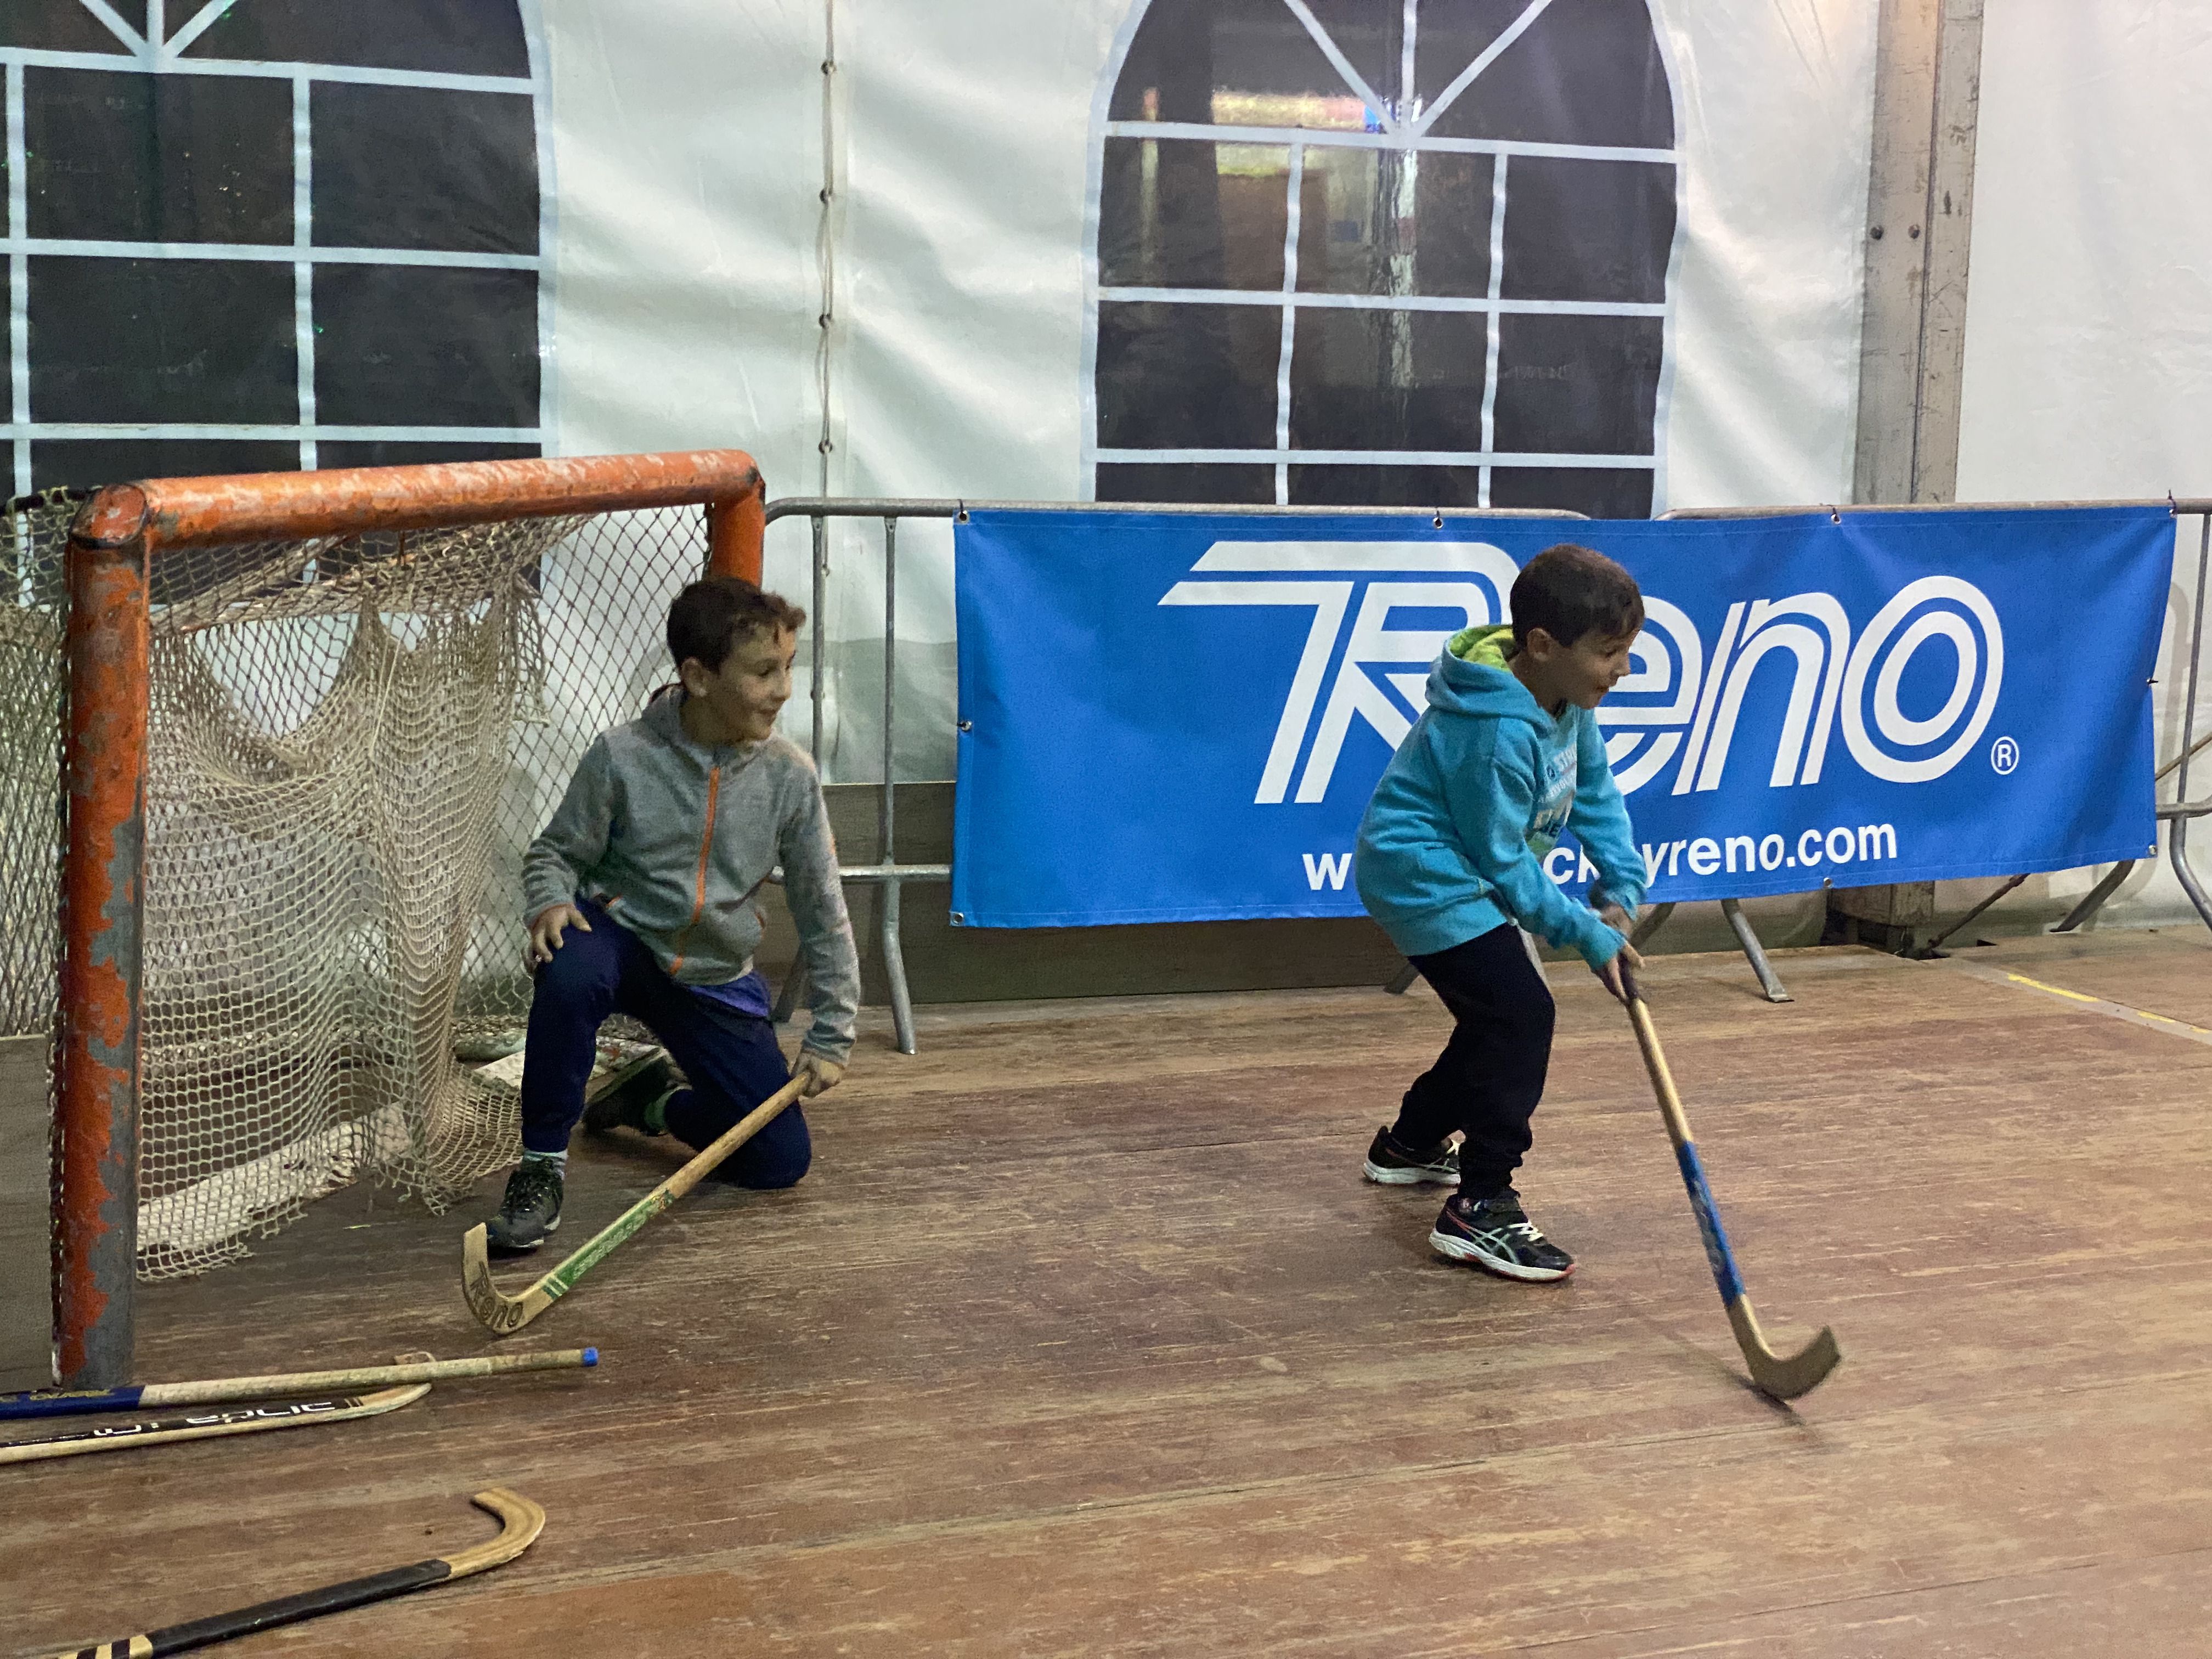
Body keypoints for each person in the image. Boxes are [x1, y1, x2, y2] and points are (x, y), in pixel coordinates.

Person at [482, 575, 861, 1253]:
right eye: (763, 672)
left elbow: (822, 908)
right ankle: (540, 1169)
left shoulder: (790, 777)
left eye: (788, 670)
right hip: (622, 945)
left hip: (712, 972)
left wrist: (833, 1032)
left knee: (779, 1162)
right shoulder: (621, 756)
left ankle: (649, 1101)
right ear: (698, 676)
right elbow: (556, 853)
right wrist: (549, 900)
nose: (782, 690)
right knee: (569, 966)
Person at [1353, 544, 1648, 1283]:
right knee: (1520, 1016)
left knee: (1499, 1019)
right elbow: (1505, 863)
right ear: (1543, 647)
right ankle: (1481, 1205)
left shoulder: (1563, 700)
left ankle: (1413, 1142)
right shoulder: (1493, 731)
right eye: (1609, 653)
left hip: (1464, 869)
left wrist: (1622, 882)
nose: (1623, 670)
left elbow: (1599, 793)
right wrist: (1583, 932)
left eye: (1627, 651)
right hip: (1423, 874)